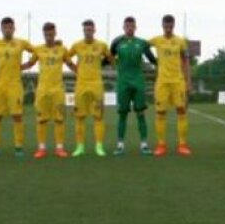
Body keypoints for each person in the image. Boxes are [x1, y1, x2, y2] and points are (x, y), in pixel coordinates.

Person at [0, 16, 38, 158]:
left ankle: (18, 147)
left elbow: (37, 52)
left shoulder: (21, 43)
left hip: (15, 85)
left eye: (10, 27)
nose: (7, 30)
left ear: (14, 28)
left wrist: (28, 64)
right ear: (1, 29)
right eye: (5, 27)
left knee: (17, 116)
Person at [110, 16, 158, 155]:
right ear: (123, 27)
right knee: (122, 114)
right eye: (127, 26)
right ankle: (120, 144)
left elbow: (152, 59)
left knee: (141, 113)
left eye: (132, 26)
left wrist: (164, 64)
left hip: (138, 81)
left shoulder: (142, 43)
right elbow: (108, 58)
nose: (130, 28)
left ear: (135, 27)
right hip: (123, 82)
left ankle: (144, 144)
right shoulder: (117, 42)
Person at [25, 22, 72, 158]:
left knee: (59, 119)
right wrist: (17, 68)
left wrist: (81, 72)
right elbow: (30, 63)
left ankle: (59, 148)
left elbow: (69, 64)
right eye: (46, 34)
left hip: (58, 90)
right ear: (43, 34)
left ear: (55, 33)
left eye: (51, 34)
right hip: (42, 90)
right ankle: (41, 148)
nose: (49, 37)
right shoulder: (38, 49)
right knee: (41, 120)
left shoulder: (62, 49)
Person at [148, 15, 193, 156]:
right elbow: (142, 46)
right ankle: (161, 145)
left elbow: (186, 62)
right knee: (160, 113)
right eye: (166, 24)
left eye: (170, 24)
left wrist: (188, 81)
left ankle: (182, 144)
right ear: (162, 25)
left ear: (173, 25)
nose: (168, 27)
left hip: (178, 82)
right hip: (162, 83)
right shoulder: (156, 40)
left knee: (181, 111)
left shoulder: (180, 42)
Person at [68, 19, 112, 157]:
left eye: (90, 29)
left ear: (94, 30)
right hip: (81, 85)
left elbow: (111, 59)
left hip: (96, 85)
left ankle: (99, 146)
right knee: (79, 117)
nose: (88, 32)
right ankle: (80, 147)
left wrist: (103, 65)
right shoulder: (77, 45)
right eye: (85, 29)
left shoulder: (102, 45)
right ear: (83, 31)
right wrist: (75, 69)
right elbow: (65, 58)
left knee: (98, 116)